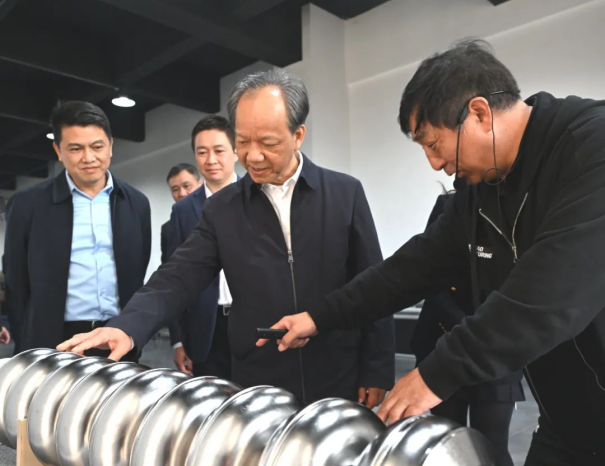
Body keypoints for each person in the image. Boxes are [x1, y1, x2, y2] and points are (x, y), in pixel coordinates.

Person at [260, 40, 605, 465]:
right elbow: (411, 269)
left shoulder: (592, 147)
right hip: (566, 422)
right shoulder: (480, 193)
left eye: (434, 144)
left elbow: (551, 291)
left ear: (479, 114)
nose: (435, 164)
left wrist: (436, 373)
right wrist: (318, 317)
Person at [58, 70, 395, 406]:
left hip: (337, 370)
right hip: (260, 377)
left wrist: (377, 368)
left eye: (268, 143)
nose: (253, 156)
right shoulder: (224, 208)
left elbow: (372, 285)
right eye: (243, 142)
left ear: (298, 135)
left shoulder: (344, 193)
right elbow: (178, 275)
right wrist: (126, 326)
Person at [5, 101, 151, 360]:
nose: (88, 158)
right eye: (75, 148)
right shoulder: (27, 205)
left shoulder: (136, 203)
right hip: (52, 341)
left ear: (111, 145)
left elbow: (137, 270)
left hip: (115, 337)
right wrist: (26, 339)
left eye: (97, 146)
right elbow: (16, 283)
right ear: (58, 150)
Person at [411, 193, 524, 466]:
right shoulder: (449, 205)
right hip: (444, 340)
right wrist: (465, 330)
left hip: (496, 345)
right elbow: (429, 273)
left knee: (492, 446)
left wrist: (485, 333)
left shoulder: (519, 210)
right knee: (447, 444)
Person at [168, 115, 239, 379]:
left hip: (253, 324)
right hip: (204, 329)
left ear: (236, 152)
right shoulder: (183, 211)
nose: (211, 160)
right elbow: (174, 277)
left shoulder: (259, 197)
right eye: (202, 152)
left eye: (219, 150)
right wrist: (178, 340)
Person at [161, 163, 201, 263]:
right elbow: (168, 264)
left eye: (187, 186)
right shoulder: (167, 229)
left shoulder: (216, 213)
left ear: (200, 185)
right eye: (175, 189)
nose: (182, 193)